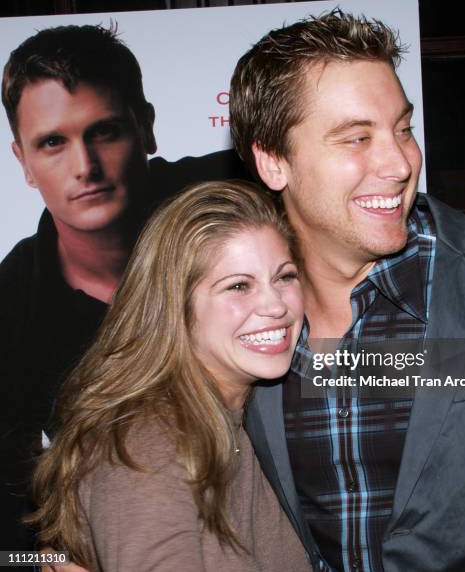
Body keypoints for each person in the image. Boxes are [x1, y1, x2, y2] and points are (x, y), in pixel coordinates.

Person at [229, 10, 465, 571]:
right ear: (273, 161)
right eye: (357, 137)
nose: (400, 162)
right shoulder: (227, 314)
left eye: (402, 128)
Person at [0, 24, 244, 552]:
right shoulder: (10, 309)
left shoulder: (233, 195)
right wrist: (40, 563)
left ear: (147, 128)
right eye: (53, 143)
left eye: (105, 132)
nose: (84, 167)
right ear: (23, 162)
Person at [29, 180, 311, 572]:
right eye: (238, 286)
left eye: (284, 277)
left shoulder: (228, 419)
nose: (275, 305)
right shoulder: (147, 445)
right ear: (176, 307)